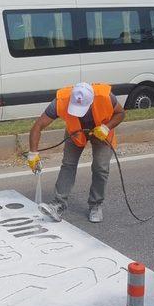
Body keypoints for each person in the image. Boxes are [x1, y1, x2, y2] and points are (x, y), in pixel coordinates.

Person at [27, 82, 125, 223]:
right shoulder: (61, 100)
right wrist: (33, 153)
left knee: (100, 167)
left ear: (91, 102)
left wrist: (106, 127)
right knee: (68, 164)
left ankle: (95, 205)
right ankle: (58, 205)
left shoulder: (105, 96)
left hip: (102, 132)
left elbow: (121, 113)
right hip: (76, 132)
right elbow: (38, 126)